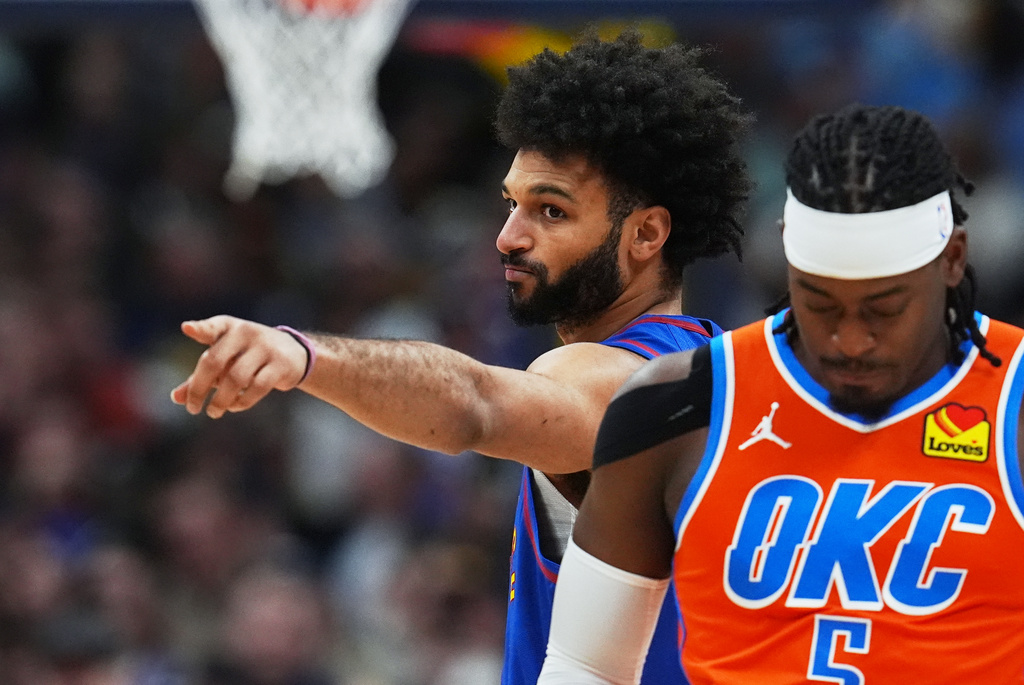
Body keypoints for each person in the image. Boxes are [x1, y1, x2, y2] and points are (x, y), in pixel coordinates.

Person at [170, 30, 752, 685]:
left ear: (646, 233)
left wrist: (307, 355)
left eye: (550, 210)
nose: (508, 236)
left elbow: (476, 405)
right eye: (512, 204)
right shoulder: (726, 376)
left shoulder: (619, 379)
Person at [538, 103, 1024, 684]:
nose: (850, 340)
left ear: (952, 261)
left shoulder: (1012, 402)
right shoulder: (678, 406)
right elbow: (587, 667)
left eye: (884, 311)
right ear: (787, 254)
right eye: (820, 305)